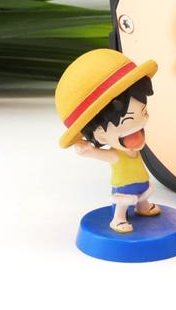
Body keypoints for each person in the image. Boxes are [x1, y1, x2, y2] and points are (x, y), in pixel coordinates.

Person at [55, 49, 160, 233]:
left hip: (141, 181)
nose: (139, 125)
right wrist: (89, 151)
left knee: (143, 195)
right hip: (125, 186)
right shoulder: (116, 155)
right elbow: (100, 154)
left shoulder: (133, 148)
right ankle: (118, 219)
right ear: (100, 135)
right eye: (129, 121)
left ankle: (143, 206)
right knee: (123, 202)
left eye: (143, 112)